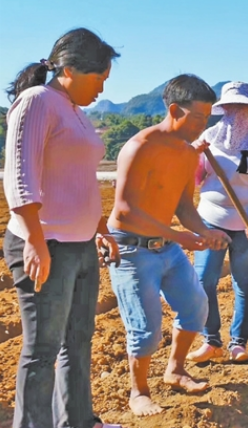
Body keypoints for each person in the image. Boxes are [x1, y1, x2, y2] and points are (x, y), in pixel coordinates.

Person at [2, 28, 122, 428]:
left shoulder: (75, 110)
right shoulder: (37, 102)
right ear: (70, 68)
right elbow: (19, 177)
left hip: (81, 243)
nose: (102, 89)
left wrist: (99, 226)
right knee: (42, 349)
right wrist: (35, 240)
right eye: (98, 79)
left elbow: (77, 178)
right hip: (46, 243)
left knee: (78, 341)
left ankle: (76, 420)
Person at [106, 74, 232, 417]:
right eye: (198, 118)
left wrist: (204, 231)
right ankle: (139, 392)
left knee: (195, 306)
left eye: (208, 119)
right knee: (145, 328)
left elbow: (184, 207)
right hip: (131, 247)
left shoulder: (188, 155)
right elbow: (126, 211)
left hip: (167, 246)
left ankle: (175, 370)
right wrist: (181, 237)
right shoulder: (140, 147)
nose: (203, 125)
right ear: (175, 110)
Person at [187, 81, 248, 363]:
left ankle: (238, 342)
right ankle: (211, 340)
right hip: (211, 220)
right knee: (204, 281)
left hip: (246, 226)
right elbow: (195, 180)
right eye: (230, 106)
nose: (235, 112)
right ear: (223, 109)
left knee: (244, 282)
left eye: (241, 107)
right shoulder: (208, 140)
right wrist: (194, 156)